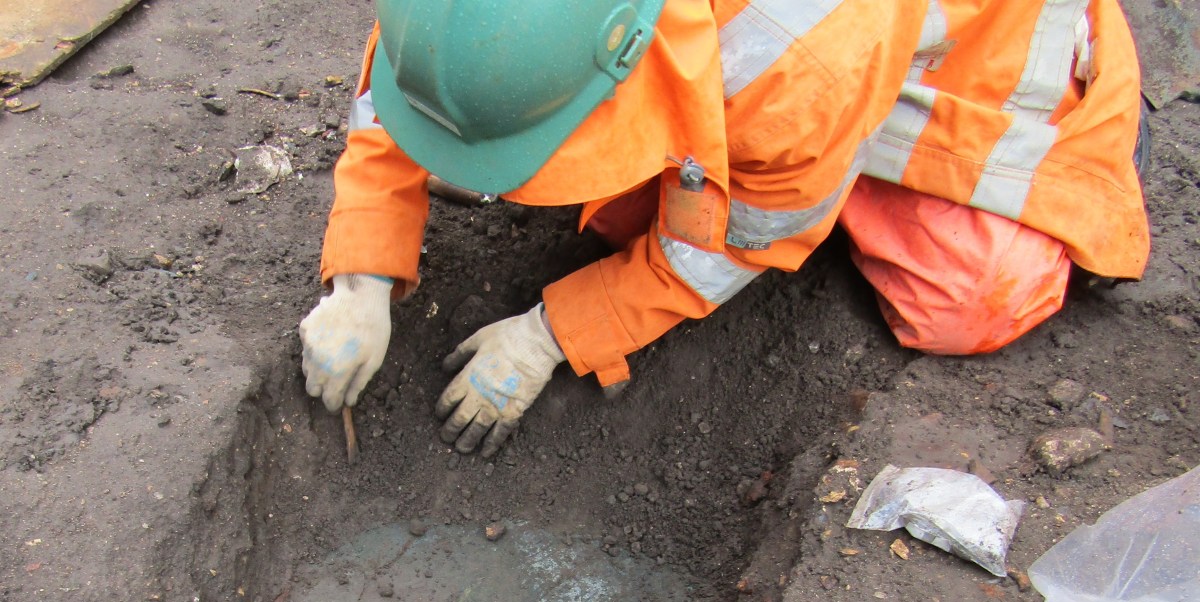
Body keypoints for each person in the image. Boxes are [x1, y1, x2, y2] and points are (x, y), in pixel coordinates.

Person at [300, 0, 1150, 459]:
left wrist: (551, 335)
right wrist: (362, 274)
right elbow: (432, 60)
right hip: (777, 77)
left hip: (965, 54)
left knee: (971, 299)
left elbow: (739, 241)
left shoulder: (796, 54)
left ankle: (863, 179)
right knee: (593, 185)